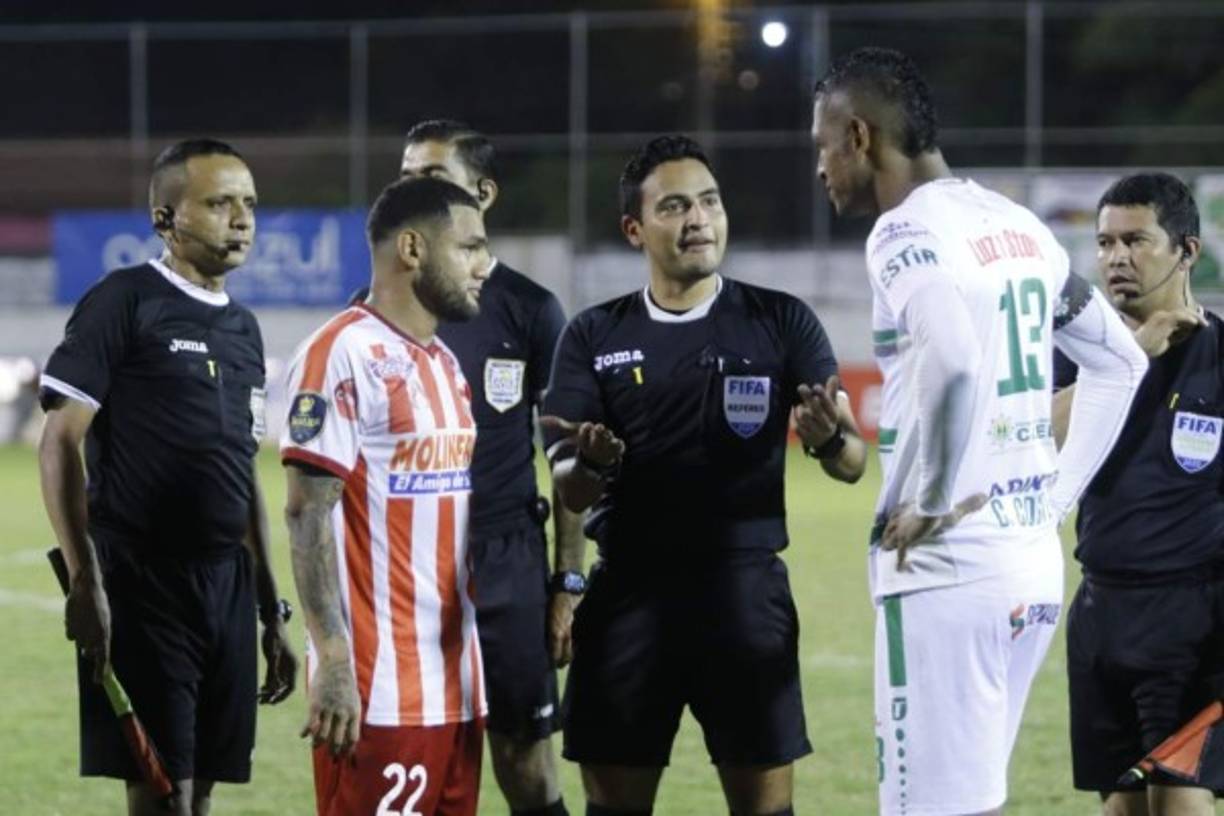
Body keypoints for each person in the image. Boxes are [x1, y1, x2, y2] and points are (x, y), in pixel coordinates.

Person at [810, 47, 1150, 815]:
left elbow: (956, 357)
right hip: (1028, 564)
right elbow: (1119, 363)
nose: (820, 166)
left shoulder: (901, 235)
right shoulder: (1018, 226)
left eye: (821, 145)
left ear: (858, 136)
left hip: (944, 570)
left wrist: (931, 497)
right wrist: (1053, 502)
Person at [541, 133, 867, 816]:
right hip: (628, 595)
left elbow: (851, 463)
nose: (699, 219)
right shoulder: (593, 335)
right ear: (635, 228)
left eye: (711, 202)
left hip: (745, 597)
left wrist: (829, 438)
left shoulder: (781, 321)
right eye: (676, 206)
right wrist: (594, 464)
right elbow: (568, 485)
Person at [38, 138, 297, 816]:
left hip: (228, 590)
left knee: (202, 790)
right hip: (143, 584)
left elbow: (240, 477)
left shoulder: (244, 329)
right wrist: (86, 578)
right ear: (165, 219)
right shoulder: (123, 301)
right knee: (163, 796)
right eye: (218, 204)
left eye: (249, 205)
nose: (240, 219)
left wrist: (271, 611)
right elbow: (60, 442)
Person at [282, 176, 492, 816]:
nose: (484, 265)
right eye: (469, 247)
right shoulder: (340, 352)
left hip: (457, 689)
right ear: (411, 248)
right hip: (378, 697)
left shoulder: (445, 364)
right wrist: (336, 664)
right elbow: (306, 512)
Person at [398, 120, 585, 816]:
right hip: (409, 561)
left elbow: (566, 458)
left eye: (432, 176)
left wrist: (567, 579)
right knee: (422, 760)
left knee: (524, 760)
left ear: (483, 193)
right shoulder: (384, 306)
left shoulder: (531, 309)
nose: (412, 188)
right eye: (406, 174)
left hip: (505, 554)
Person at [1051, 173, 1224, 816]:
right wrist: (1126, 358)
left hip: (1192, 618)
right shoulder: (1079, 354)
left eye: (1135, 241)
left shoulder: (1219, 355)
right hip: (1100, 614)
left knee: (1177, 802)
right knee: (1124, 808)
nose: (1115, 258)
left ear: (1187, 249)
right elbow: (1034, 435)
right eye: (1104, 243)